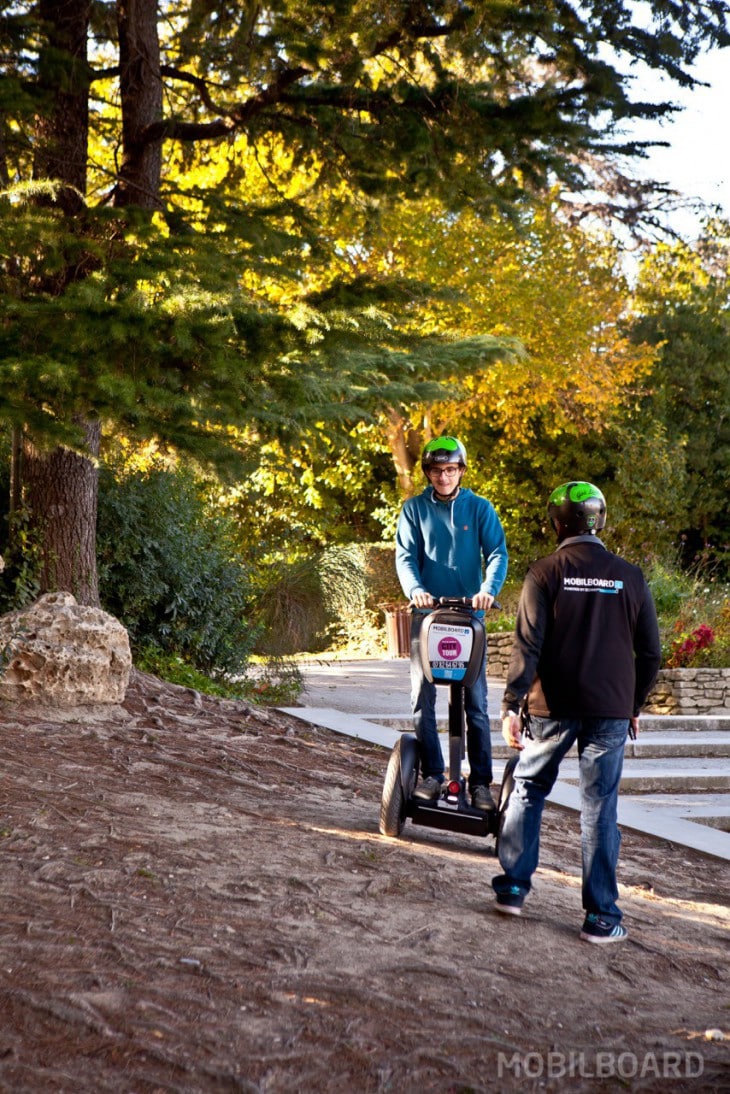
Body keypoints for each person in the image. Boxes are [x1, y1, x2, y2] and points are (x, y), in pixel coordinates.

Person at [493, 481, 661, 943]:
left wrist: (512, 704)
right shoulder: (630, 575)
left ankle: (513, 887)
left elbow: (528, 645)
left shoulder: (545, 571)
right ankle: (601, 917)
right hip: (610, 708)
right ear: (599, 520)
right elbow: (651, 654)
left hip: (553, 705)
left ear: (557, 523)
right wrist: (633, 705)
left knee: (528, 788)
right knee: (600, 808)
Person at [395, 435, 508, 812]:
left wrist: (488, 590)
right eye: (437, 470)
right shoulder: (414, 509)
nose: (444, 477)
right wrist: (416, 590)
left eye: (450, 470)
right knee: (421, 698)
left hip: (469, 617)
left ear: (460, 470)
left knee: (475, 703)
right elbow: (406, 556)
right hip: (427, 616)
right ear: (427, 472)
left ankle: (479, 784)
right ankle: (431, 773)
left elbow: (496, 553)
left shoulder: (479, 508)